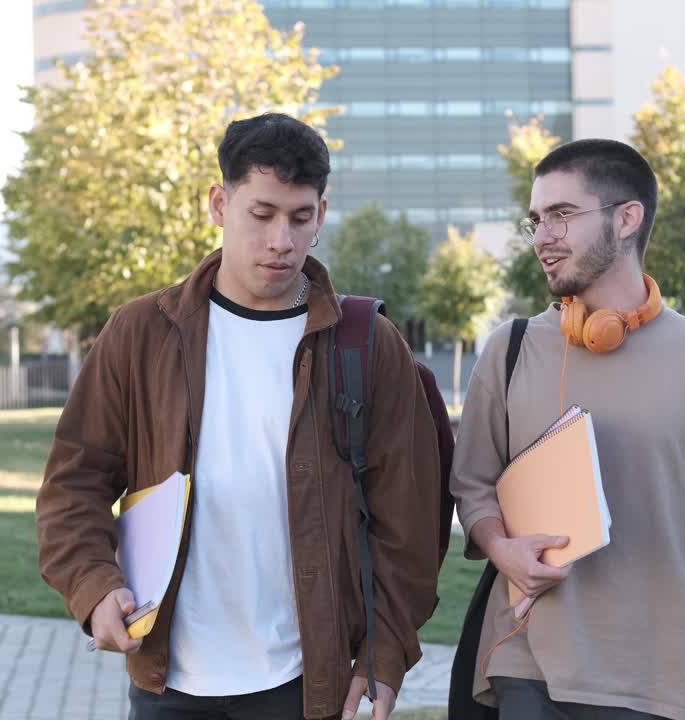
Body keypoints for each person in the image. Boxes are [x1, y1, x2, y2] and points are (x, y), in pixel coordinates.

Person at [35, 112, 442, 720]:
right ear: (219, 204)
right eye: (262, 214)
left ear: (321, 216)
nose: (282, 239)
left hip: (304, 684)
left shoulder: (367, 344)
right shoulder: (140, 332)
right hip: (166, 679)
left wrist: (383, 656)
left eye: (301, 217)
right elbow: (75, 483)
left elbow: (409, 523)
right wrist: (94, 588)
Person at [450, 138, 685, 720]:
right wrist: (501, 547)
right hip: (527, 669)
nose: (543, 236)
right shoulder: (508, 350)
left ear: (627, 218)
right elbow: (471, 486)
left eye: (563, 215)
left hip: (663, 684)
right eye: (536, 219)